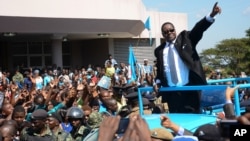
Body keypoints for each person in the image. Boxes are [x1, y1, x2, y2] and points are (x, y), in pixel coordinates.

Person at [154, 2, 222, 113]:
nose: (169, 33)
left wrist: (211, 15)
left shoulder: (186, 39)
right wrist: (156, 82)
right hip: (172, 93)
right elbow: (160, 71)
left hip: (189, 89)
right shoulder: (159, 51)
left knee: (192, 121)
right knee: (176, 123)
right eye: (166, 32)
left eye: (171, 30)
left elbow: (198, 29)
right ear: (163, 34)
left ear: (175, 30)